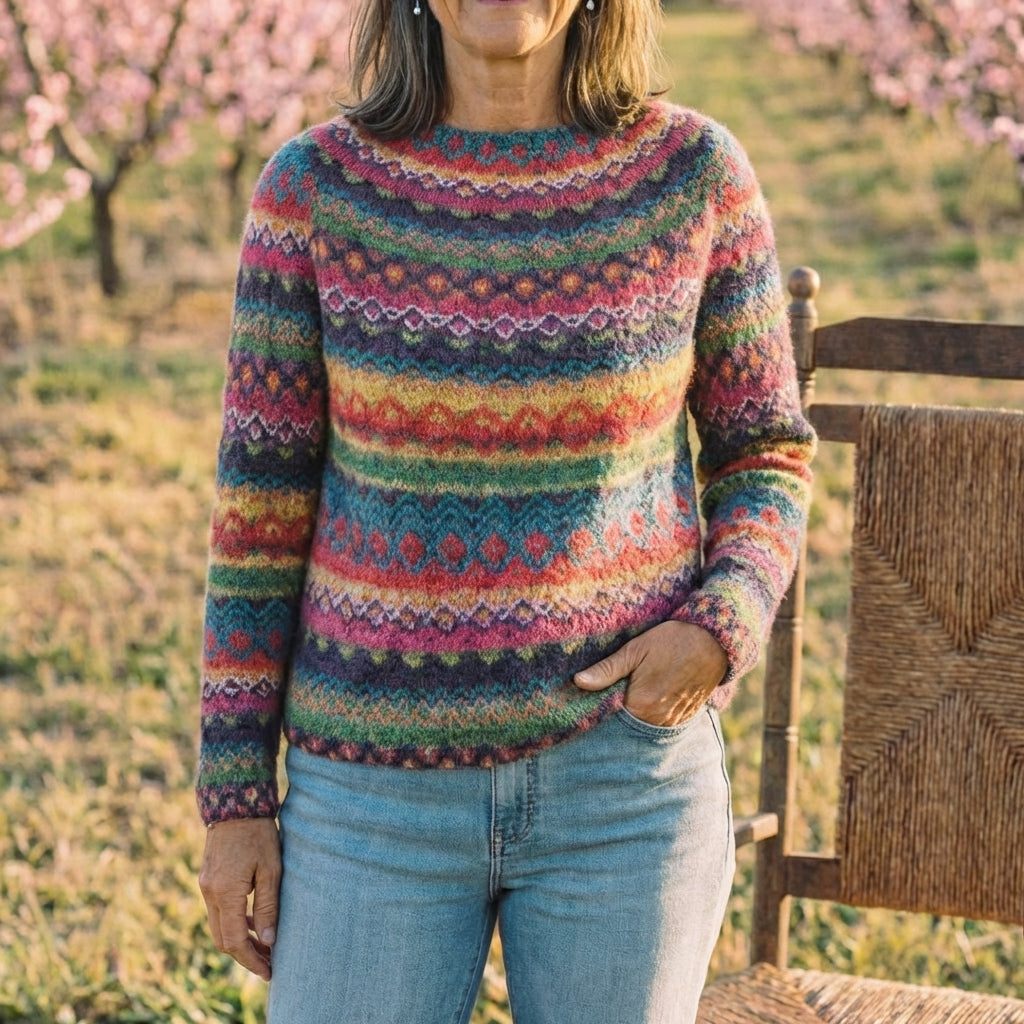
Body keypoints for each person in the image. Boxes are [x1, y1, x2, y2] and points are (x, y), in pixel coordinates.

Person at [196, 0, 816, 1018]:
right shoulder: (312, 191)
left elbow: (765, 453)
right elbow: (260, 515)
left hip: (624, 782)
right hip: (369, 798)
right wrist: (234, 801)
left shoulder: (693, 173)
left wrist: (722, 623)